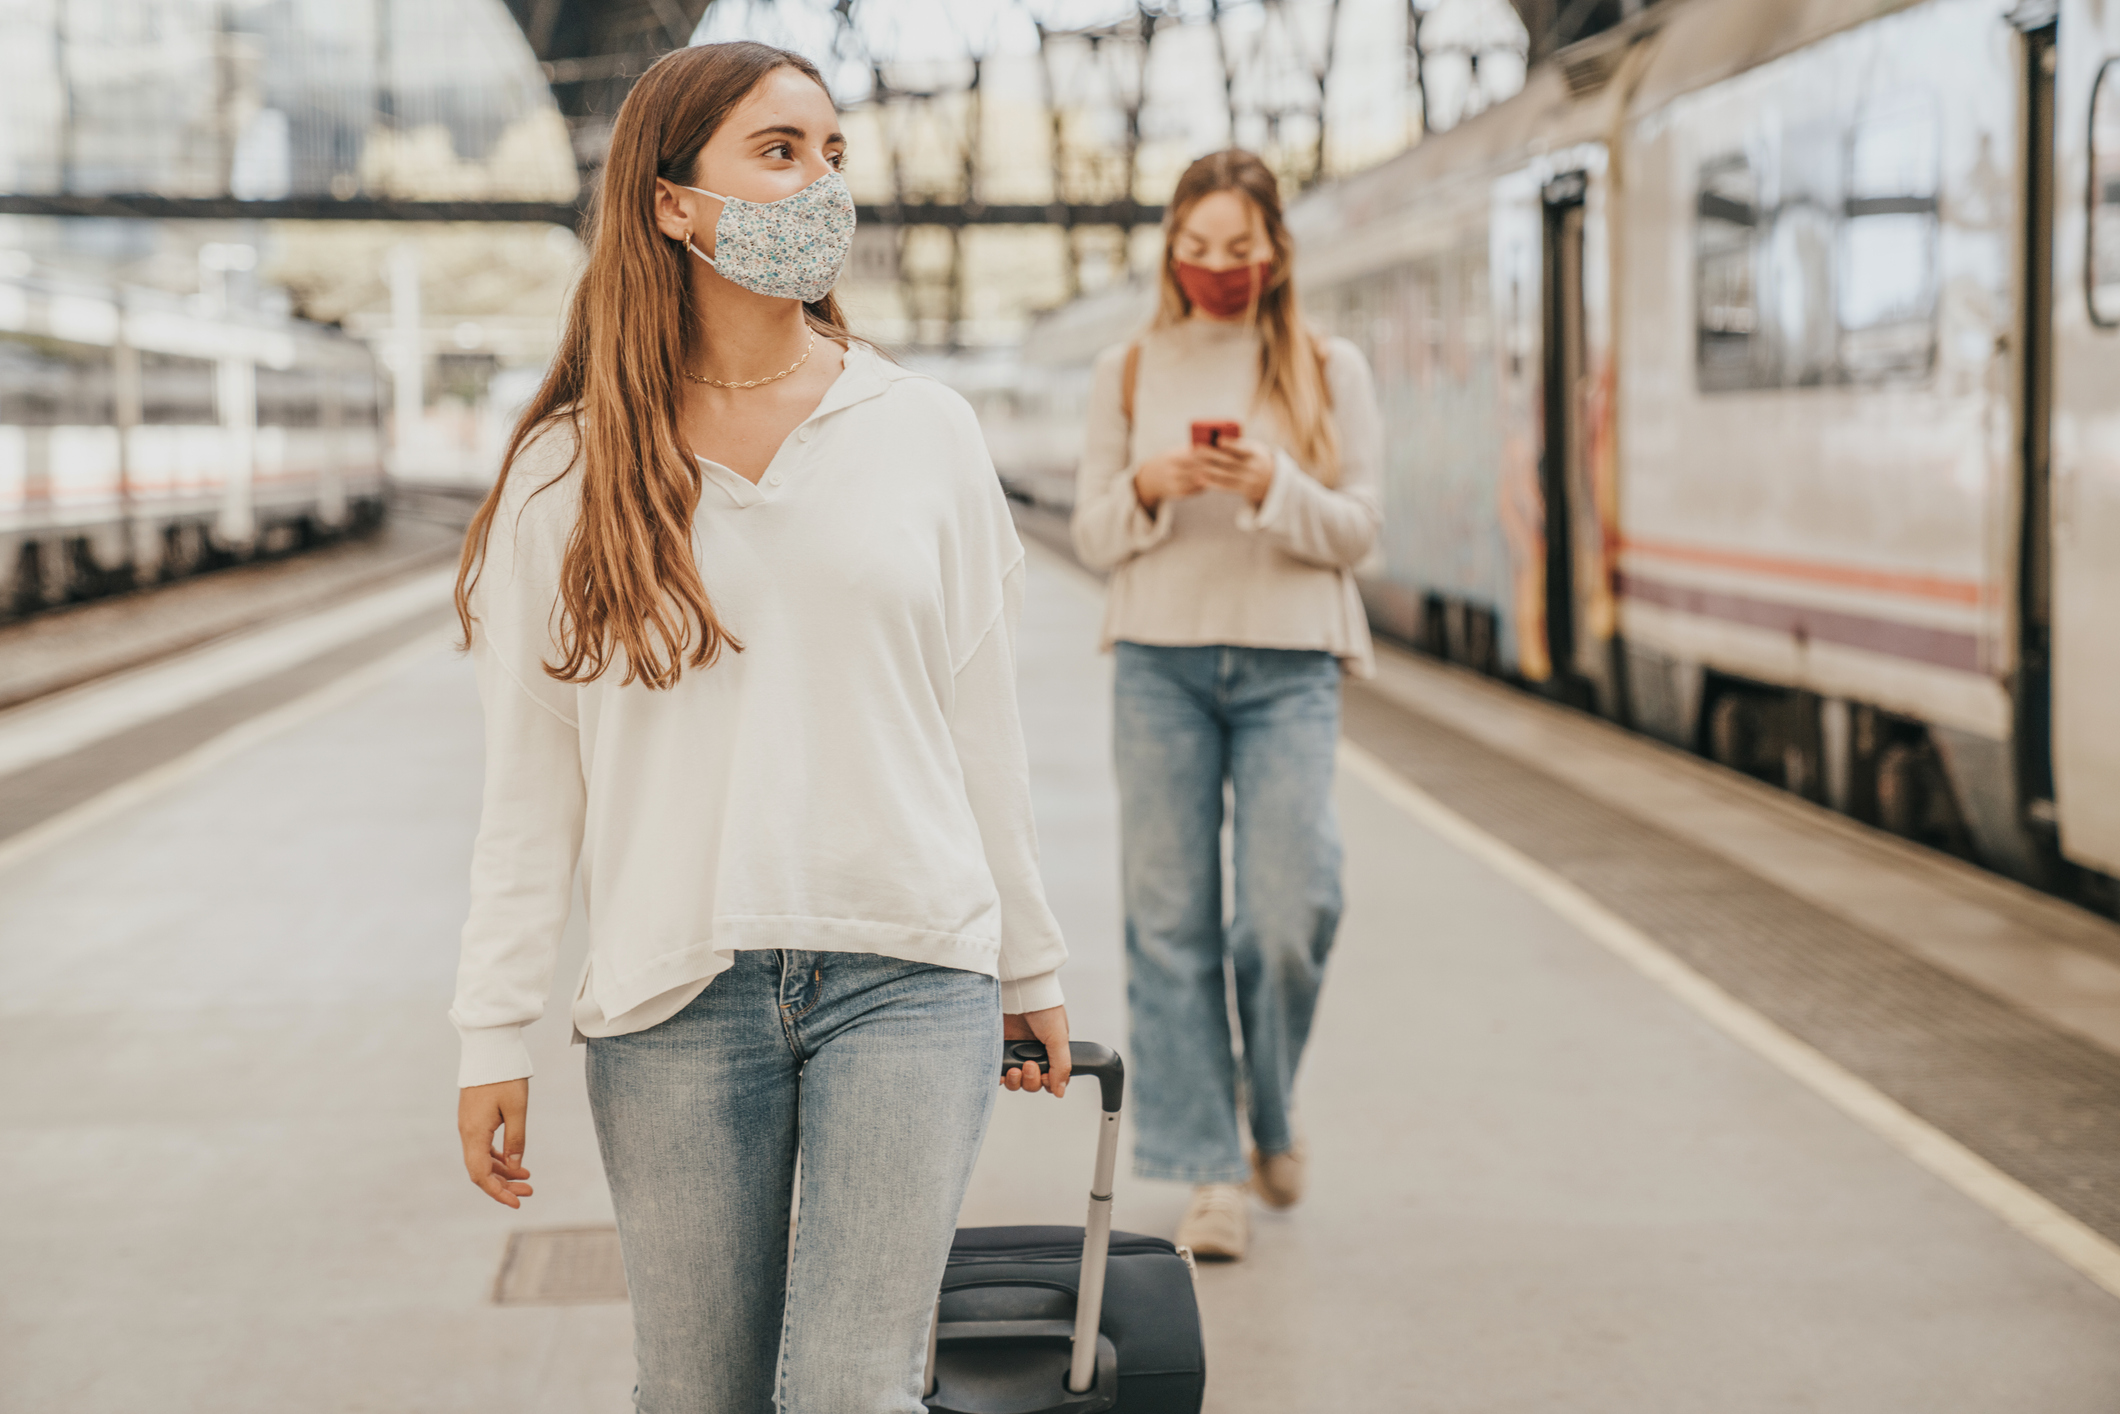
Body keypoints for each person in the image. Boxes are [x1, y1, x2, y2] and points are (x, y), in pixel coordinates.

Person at [448, 42, 1073, 1413]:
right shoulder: (566, 472)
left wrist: (1031, 956)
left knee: (850, 1390)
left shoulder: (927, 431)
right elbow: (530, 788)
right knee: (699, 1391)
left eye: (833, 153)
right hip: (674, 989)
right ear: (674, 203)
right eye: (780, 152)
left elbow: (980, 720)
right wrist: (491, 1029)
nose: (822, 183)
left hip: (910, 970)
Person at [1070, 149, 1383, 1262]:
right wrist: (1150, 487)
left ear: (1273, 252)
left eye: (1235, 250)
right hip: (1158, 660)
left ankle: (1274, 1112)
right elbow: (1091, 535)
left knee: (1288, 913)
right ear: (1171, 251)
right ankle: (1209, 1169)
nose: (1214, 268)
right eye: (1193, 250)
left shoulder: (1323, 366)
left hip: (1289, 664)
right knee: (1169, 922)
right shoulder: (1125, 367)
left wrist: (1271, 488)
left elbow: (1359, 532)